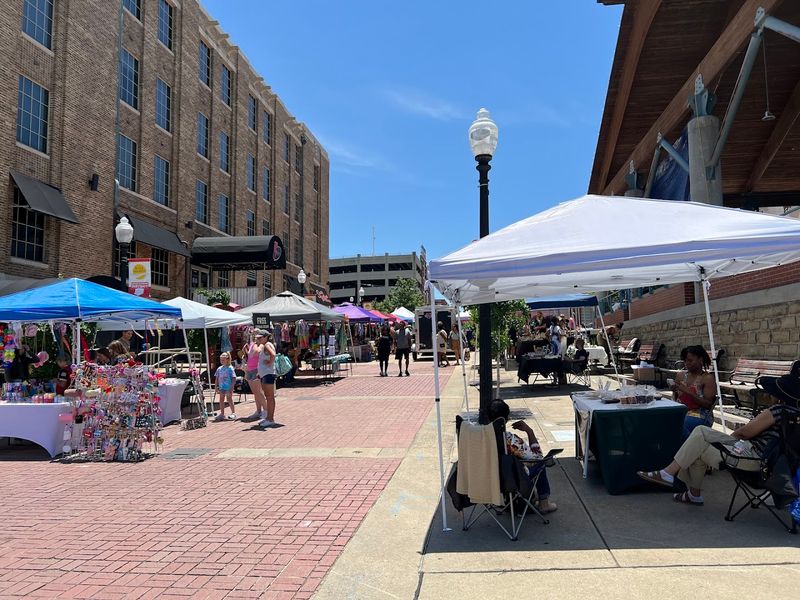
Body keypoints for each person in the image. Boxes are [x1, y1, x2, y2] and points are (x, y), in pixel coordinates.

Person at [637, 371, 800, 506]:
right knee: (698, 442)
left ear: (779, 395)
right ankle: (691, 493)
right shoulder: (795, 414)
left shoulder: (778, 411)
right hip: (771, 463)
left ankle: (669, 474)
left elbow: (744, 433)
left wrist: (727, 442)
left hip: (752, 459)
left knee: (700, 435)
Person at [489, 400, 557, 514]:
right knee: (541, 463)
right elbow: (537, 457)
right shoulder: (510, 439)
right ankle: (544, 503)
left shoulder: (479, 438)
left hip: (488, 478)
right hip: (510, 479)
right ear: (507, 419)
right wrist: (529, 431)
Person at [671, 345, 717, 439]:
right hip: (681, 411)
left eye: (690, 360)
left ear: (700, 359)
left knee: (680, 426)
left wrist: (689, 392)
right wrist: (675, 391)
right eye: (685, 361)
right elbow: (676, 398)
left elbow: (708, 405)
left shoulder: (707, 378)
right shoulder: (681, 375)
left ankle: (686, 450)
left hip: (699, 414)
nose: (687, 363)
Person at [241, 331, 267, 420]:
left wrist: (255, 343)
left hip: (256, 369)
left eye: (256, 335)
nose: (253, 336)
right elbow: (250, 355)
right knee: (255, 392)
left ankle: (266, 411)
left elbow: (256, 352)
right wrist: (246, 350)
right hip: (249, 369)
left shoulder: (261, 345)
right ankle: (258, 411)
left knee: (259, 392)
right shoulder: (252, 344)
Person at [258, 331, 277, 428]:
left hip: (268, 374)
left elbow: (273, 354)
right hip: (265, 374)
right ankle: (268, 417)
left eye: (260, 338)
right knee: (268, 396)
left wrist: (270, 362)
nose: (258, 340)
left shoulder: (267, 345)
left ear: (266, 337)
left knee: (269, 397)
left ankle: (270, 419)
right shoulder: (265, 345)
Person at [214, 352, 237, 421]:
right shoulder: (219, 369)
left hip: (228, 387)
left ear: (227, 360)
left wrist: (232, 387)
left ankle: (233, 413)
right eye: (221, 360)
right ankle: (222, 413)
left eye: (223, 360)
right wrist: (215, 387)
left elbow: (234, 378)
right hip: (221, 387)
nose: (221, 361)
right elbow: (217, 378)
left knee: (229, 399)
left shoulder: (230, 368)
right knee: (221, 400)